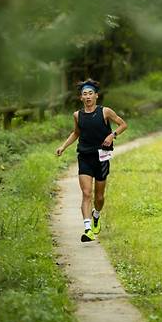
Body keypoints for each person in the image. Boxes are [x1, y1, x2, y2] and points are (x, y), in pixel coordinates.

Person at [56, 79, 127, 242]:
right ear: (81, 98)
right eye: (84, 94)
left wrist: (112, 135)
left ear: (96, 96)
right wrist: (63, 147)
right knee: (86, 193)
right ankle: (88, 229)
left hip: (102, 156)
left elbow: (123, 125)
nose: (87, 97)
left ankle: (96, 215)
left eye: (90, 94)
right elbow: (76, 133)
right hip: (85, 157)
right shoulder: (77, 115)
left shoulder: (105, 112)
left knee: (99, 197)